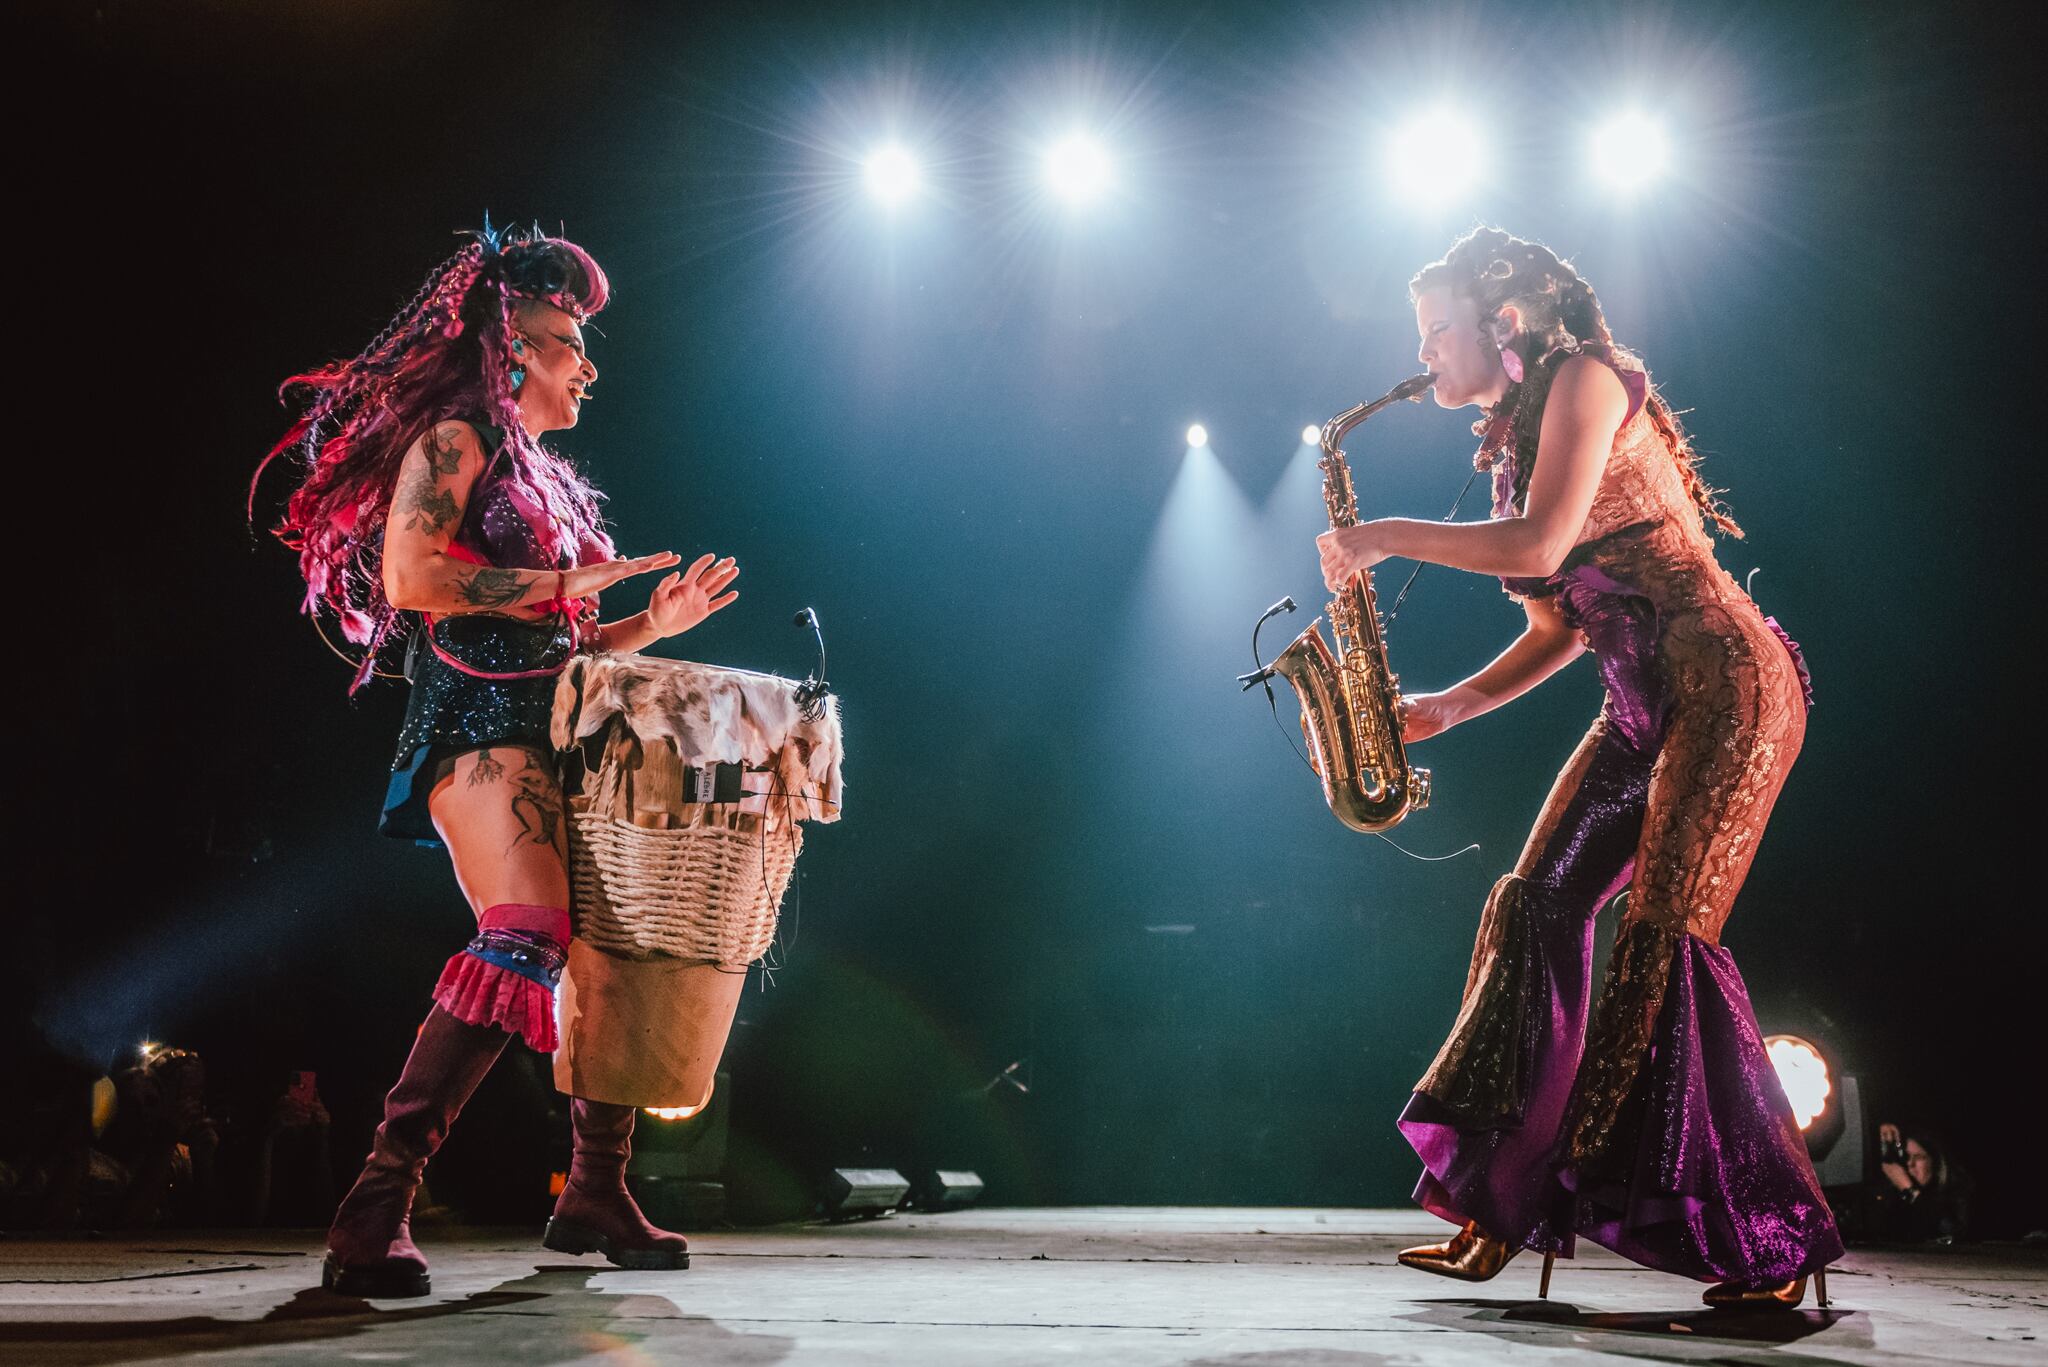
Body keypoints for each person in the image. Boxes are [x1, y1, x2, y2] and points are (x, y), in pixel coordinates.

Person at [1316, 227, 1840, 1309]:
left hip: (1724, 683)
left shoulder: (1587, 380)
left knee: (1662, 932)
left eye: (1433, 329)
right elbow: (1560, 623)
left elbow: (1545, 544)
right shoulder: (1512, 434)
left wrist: (1387, 536)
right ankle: (1495, 1203)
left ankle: (1762, 1242)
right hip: (1636, 702)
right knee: (1536, 902)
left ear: (1498, 324)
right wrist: (1455, 702)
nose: (1422, 354)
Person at [258, 223, 741, 1297]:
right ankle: (374, 1203)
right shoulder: (453, 438)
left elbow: (560, 644)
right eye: (571, 341)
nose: (589, 363)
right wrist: (569, 588)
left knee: (612, 949)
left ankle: (595, 1188)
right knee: (523, 933)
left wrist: (644, 625)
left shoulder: (551, 481)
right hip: (474, 737)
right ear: (511, 342)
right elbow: (416, 577)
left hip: (558, 733)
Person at [1872, 1122, 1971, 1241]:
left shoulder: (1956, 1194)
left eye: (1918, 1157)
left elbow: (1952, 1233)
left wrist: (1910, 1191)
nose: (1910, 1164)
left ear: (1935, 1162)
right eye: (1906, 1157)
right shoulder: (1892, 1200)